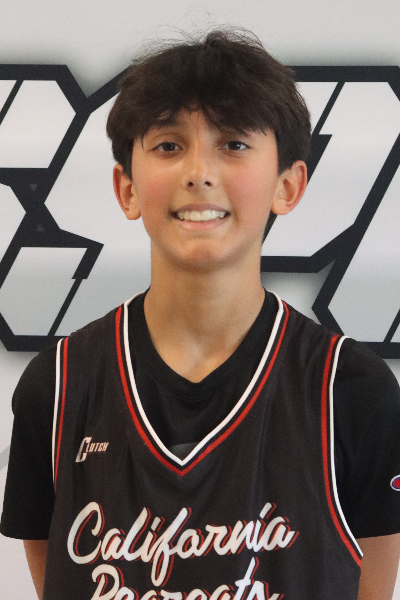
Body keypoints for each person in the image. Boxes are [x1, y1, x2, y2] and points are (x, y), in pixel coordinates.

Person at [1, 29, 400, 600]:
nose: (199, 171)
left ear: (288, 185)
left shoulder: (353, 393)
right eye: (168, 146)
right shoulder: (59, 388)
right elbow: (54, 575)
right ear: (127, 188)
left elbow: (371, 586)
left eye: (233, 143)